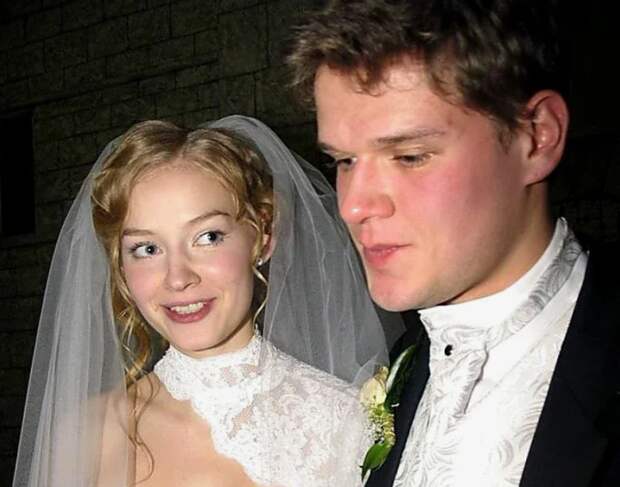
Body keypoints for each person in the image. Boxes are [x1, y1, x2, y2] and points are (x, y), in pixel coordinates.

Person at [288, 0, 620, 486]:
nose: (353, 206)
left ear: (537, 137)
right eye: (343, 162)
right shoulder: (407, 358)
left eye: (409, 156)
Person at [12, 116, 396, 486]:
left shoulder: (346, 422)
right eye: (147, 248)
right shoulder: (88, 434)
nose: (178, 278)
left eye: (208, 237)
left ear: (263, 235)